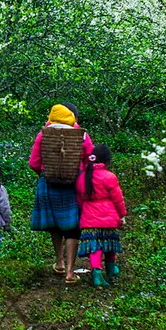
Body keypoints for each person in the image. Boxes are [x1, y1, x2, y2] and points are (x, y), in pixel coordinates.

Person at [29, 102, 93, 283]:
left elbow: (34, 163)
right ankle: (71, 272)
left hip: (48, 183)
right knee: (72, 227)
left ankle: (59, 262)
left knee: (55, 225)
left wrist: (46, 173)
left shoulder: (44, 134)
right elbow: (90, 160)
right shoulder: (82, 135)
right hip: (73, 184)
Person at [76, 143, 126, 289]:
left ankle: (97, 273)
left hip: (89, 218)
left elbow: (80, 198)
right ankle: (111, 269)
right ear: (107, 161)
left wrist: (82, 212)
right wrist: (122, 215)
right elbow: (118, 199)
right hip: (109, 218)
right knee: (110, 243)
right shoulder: (109, 177)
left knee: (94, 247)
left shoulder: (83, 177)